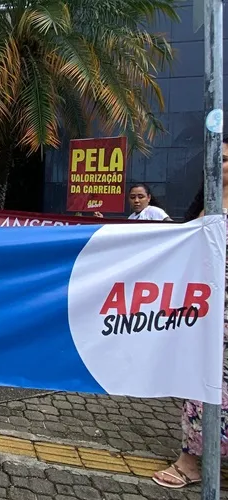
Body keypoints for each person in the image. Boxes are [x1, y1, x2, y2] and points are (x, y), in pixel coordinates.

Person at [151, 138, 228, 489]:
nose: (223, 164)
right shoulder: (205, 206)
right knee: (202, 382)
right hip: (208, 313)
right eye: (220, 158)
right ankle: (191, 461)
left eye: (226, 158)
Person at [93, 184, 172, 220]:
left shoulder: (154, 211)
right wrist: (102, 220)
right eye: (132, 197)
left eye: (141, 197)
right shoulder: (131, 217)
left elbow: (172, 227)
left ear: (148, 198)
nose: (136, 200)